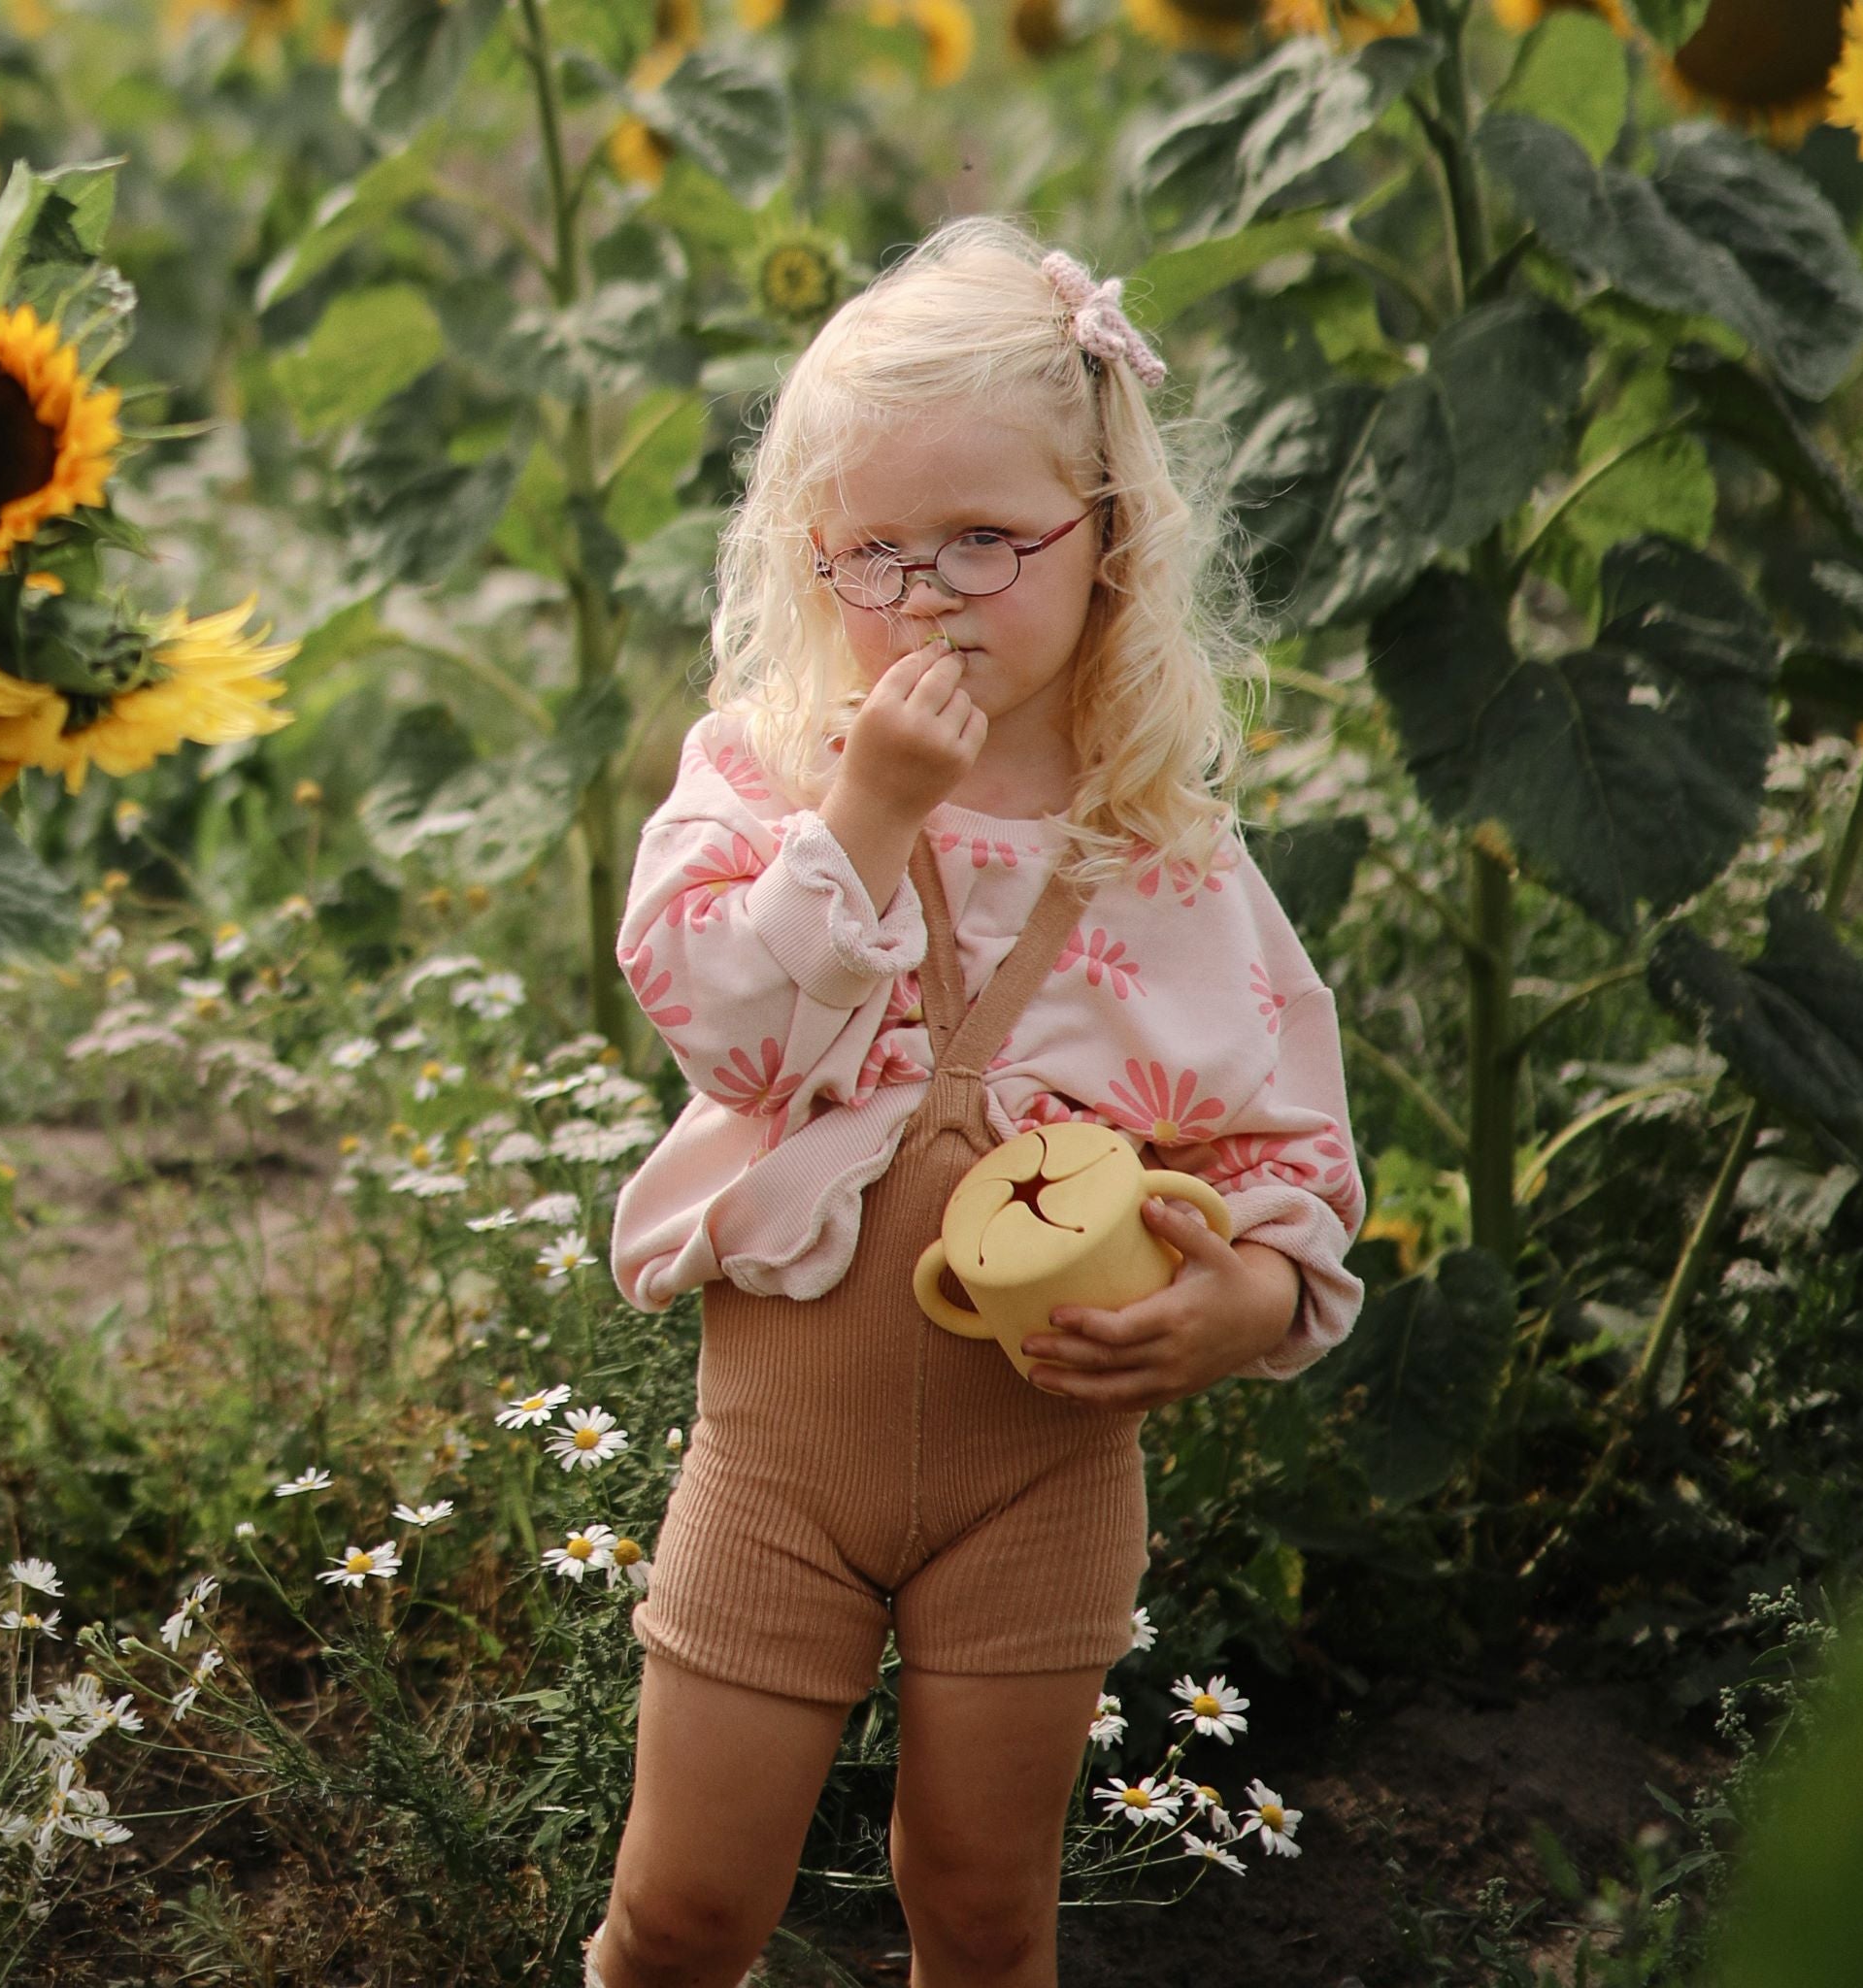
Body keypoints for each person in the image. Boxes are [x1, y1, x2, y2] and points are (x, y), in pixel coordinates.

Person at [582, 214, 1366, 1988]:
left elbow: (1289, 1154)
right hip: (785, 1452)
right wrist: (862, 815)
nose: (926, 595)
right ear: (812, 562)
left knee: (986, 1907)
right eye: (876, 555)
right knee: (687, 1910)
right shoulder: (768, 778)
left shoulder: (1165, 847)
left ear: (1106, 540)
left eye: (984, 544)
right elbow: (723, 1035)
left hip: (1044, 1463)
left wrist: (1234, 1299)